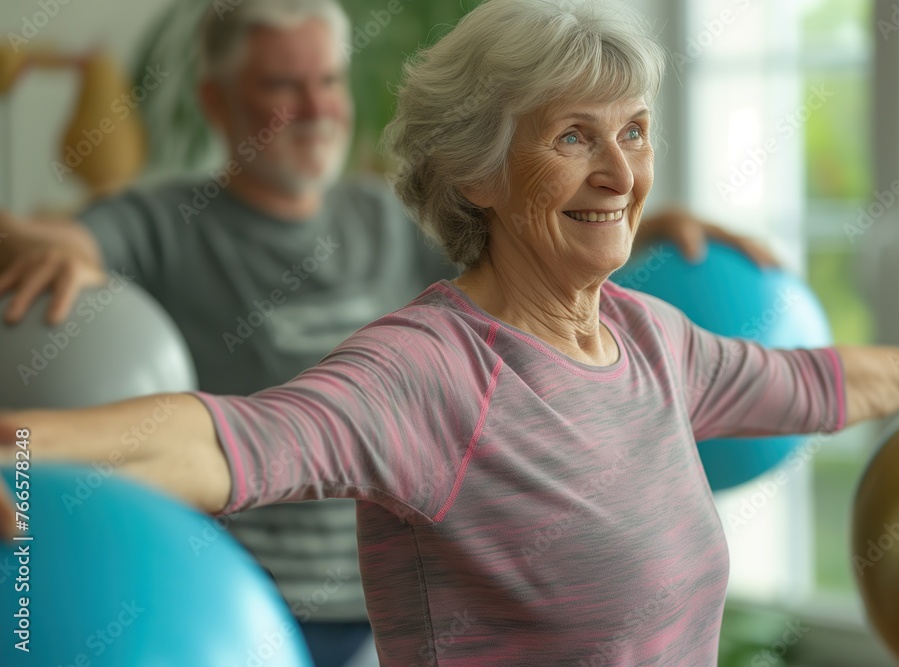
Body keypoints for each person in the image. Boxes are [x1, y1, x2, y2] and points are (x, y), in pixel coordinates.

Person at [0, 0, 779, 663]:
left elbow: (521, 244)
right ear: (216, 101)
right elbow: (68, 247)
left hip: (395, 612)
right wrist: (56, 258)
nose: (316, 106)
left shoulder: (381, 215)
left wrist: (642, 230)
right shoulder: (160, 221)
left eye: (329, 81)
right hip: (234, 611)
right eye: (282, 85)